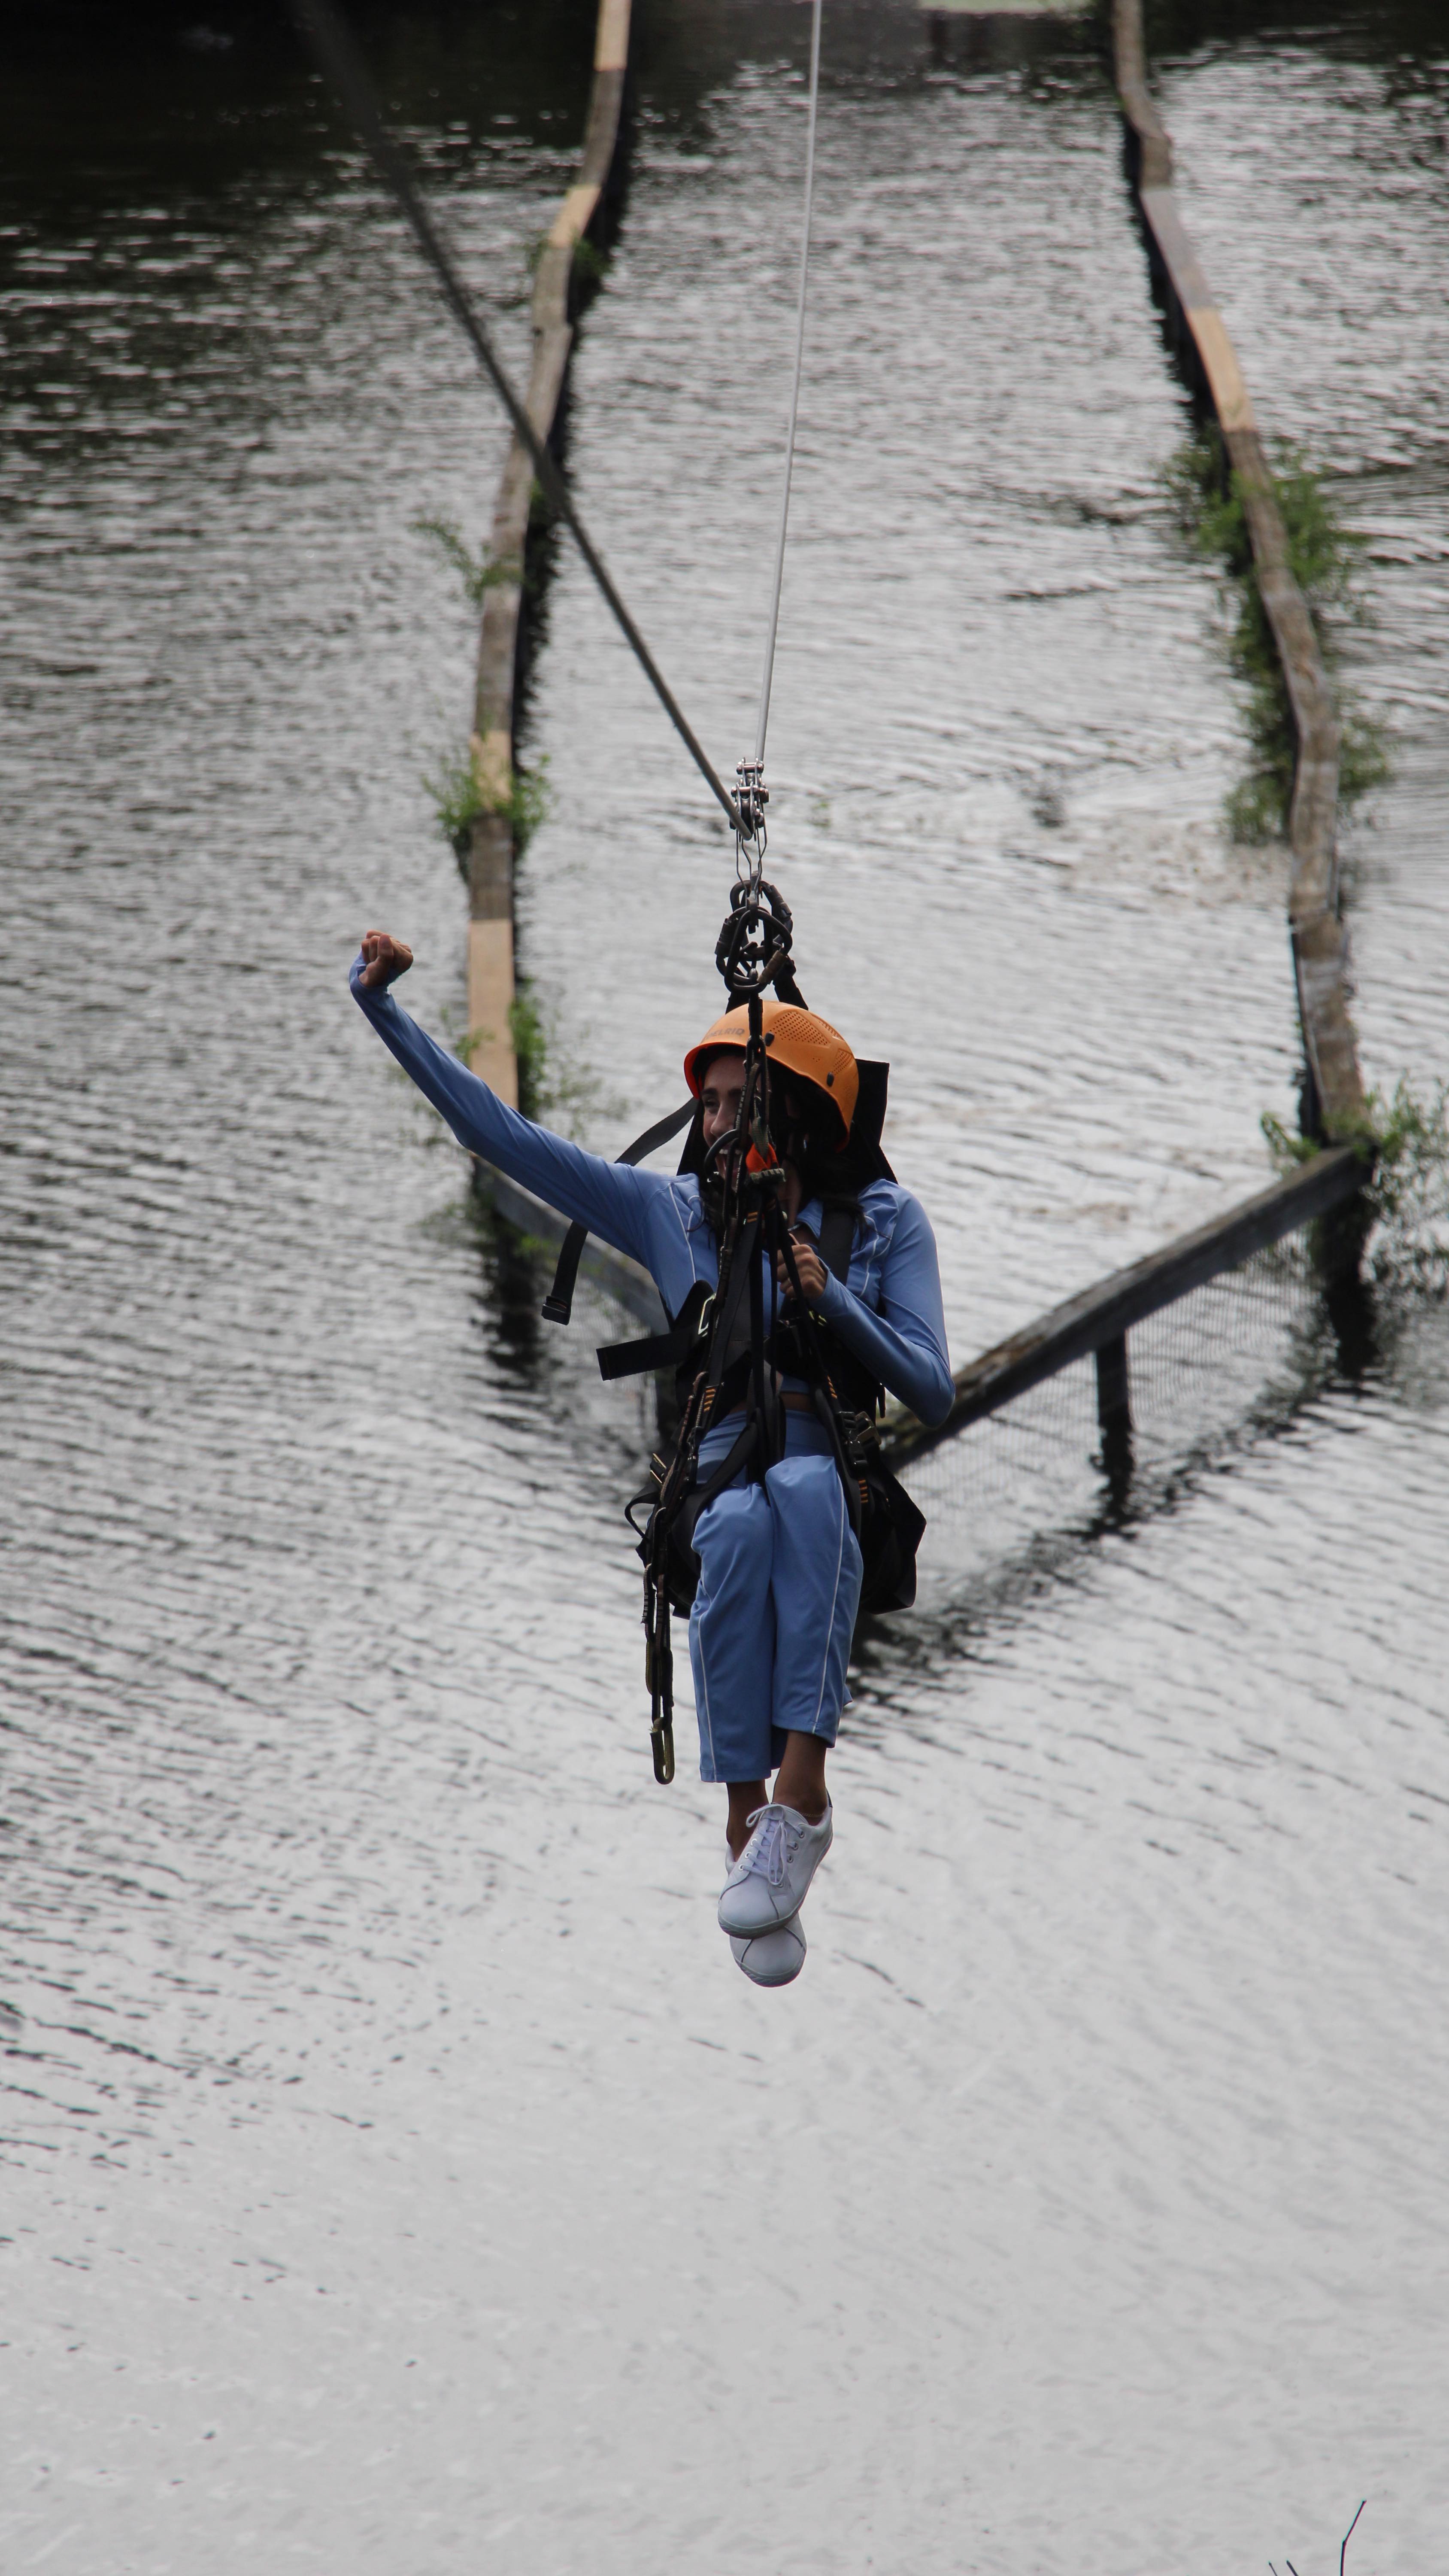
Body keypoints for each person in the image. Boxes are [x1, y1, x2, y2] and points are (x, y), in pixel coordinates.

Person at [351, 929, 953, 1986]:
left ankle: (801, 1798)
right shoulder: (672, 1213)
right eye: (707, 1106)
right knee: (732, 1526)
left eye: (730, 1105)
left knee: (807, 1490)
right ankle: (742, 1826)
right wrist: (384, 1012)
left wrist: (833, 1300)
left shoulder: (881, 1224)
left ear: (793, 1116)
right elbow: (501, 1137)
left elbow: (930, 1385)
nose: (710, 1127)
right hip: (715, 1477)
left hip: (831, 1469)